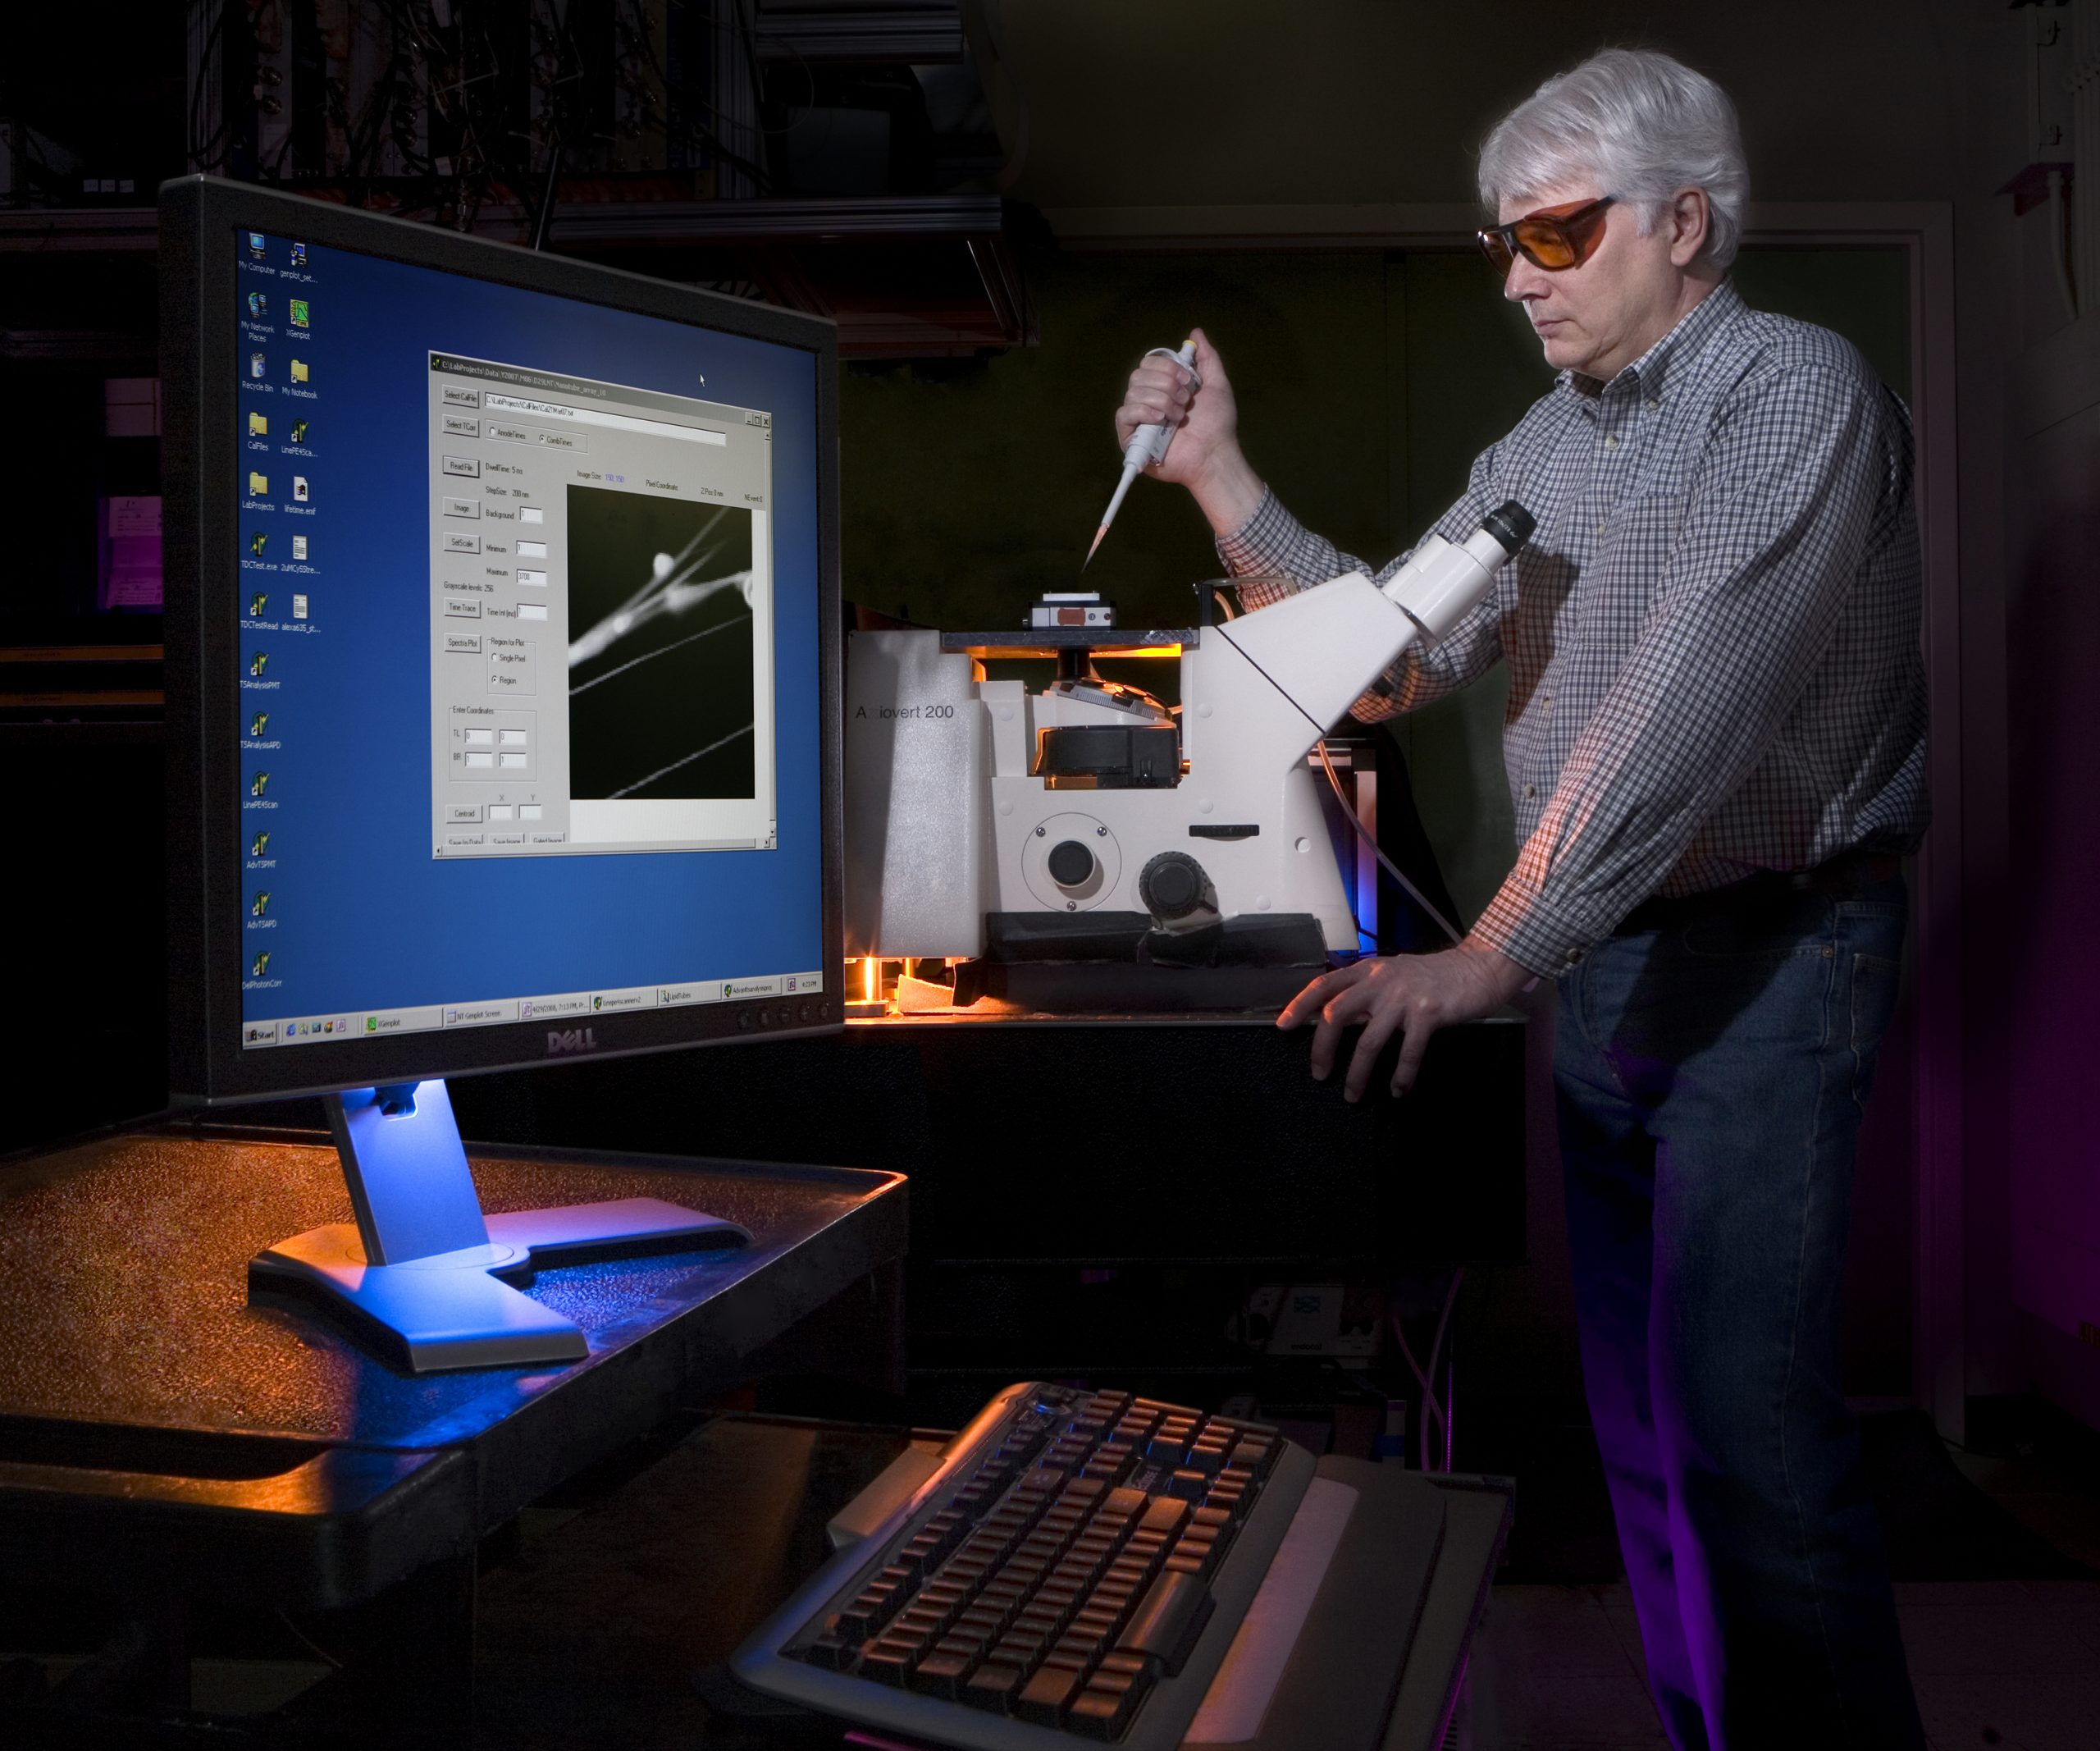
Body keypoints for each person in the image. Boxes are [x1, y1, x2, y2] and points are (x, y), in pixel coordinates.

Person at [1115, 46, 1929, 1751]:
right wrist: (1214, 469)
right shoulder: (1541, 442)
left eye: (1550, 236)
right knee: (1635, 1432)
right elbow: (1386, 659)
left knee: (1743, 1434)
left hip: (1774, 950)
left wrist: (1486, 953)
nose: (1510, 276)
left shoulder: (1793, 393)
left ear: (1682, 222)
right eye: (1502, 239)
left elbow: (1685, 709)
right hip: (1608, 952)